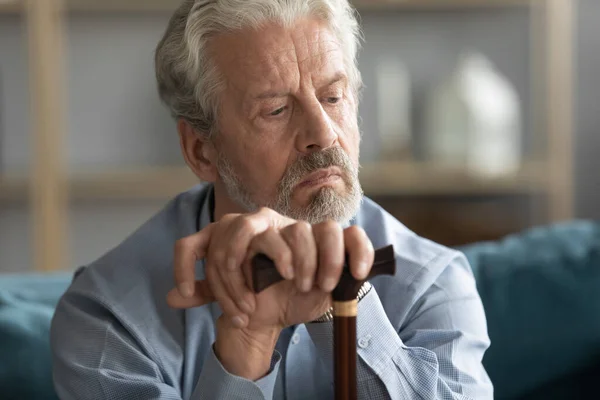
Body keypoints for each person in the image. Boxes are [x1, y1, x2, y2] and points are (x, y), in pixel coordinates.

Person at [50, 0, 493, 399]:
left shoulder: (432, 283)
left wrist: (338, 298)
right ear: (201, 150)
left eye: (333, 96)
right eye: (276, 110)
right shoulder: (110, 320)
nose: (323, 134)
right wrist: (246, 345)